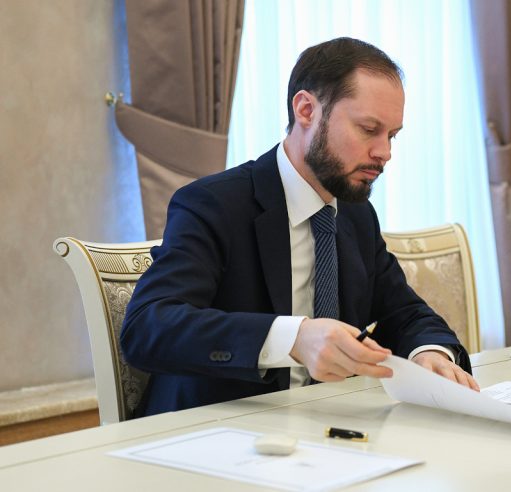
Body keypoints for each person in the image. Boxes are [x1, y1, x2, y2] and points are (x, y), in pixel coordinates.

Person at [121, 37, 478, 417]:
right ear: (306, 109)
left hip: (327, 429)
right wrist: (293, 338)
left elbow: (406, 314)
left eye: (391, 135)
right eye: (368, 129)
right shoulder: (214, 204)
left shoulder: (356, 215)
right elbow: (149, 327)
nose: (385, 153)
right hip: (217, 430)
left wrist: (429, 354)